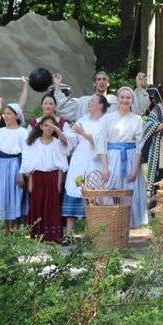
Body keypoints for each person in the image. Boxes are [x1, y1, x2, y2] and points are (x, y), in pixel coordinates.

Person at [61, 94, 108, 245]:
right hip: (79, 161)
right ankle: (68, 234)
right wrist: (59, 132)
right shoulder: (83, 120)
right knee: (75, 191)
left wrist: (84, 134)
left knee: (93, 196)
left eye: (93, 101)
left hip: (95, 162)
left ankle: (93, 235)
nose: (89, 103)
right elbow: (71, 138)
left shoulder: (105, 122)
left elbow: (101, 142)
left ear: (101, 105)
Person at [98, 86, 146, 228]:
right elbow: (102, 144)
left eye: (128, 97)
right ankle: (111, 225)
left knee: (129, 191)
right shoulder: (107, 119)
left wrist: (136, 168)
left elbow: (140, 145)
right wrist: (105, 167)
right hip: (113, 157)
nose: (125, 100)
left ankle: (127, 227)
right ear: (117, 99)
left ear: (132, 100)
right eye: (122, 97)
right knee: (111, 189)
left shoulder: (137, 119)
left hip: (130, 158)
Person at [20, 115, 68, 242]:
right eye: (46, 125)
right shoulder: (34, 143)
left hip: (52, 178)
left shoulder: (57, 143)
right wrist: (30, 181)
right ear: (41, 126)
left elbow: (60, 166)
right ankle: (37, 234)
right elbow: (30, 163)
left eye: (51, 126)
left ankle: (54, 235)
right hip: (37, 178)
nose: (48, 128)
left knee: (52, 206)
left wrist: (58, 183)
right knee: (38, 204)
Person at [0, 103, 28, 229]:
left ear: (16, 115)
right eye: (5, 113)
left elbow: (26, 154)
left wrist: (22, 173)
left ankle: (15, 228)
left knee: (15, 195)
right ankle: (5, 227)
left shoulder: (22, 132)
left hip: (15, 166)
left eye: (9, 113)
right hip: (0, 167)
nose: (6, 116)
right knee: (2, 195)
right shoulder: (1, 131)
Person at [53, 71, 150, 121]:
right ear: (94, 84)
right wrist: (57, 86)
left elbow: (138, 109)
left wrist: (139, 86)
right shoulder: (84, 102)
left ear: (108, 83)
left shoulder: (117, 101)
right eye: (98, 80)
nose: (101, 82)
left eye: (104, 79)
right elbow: (63, 108)